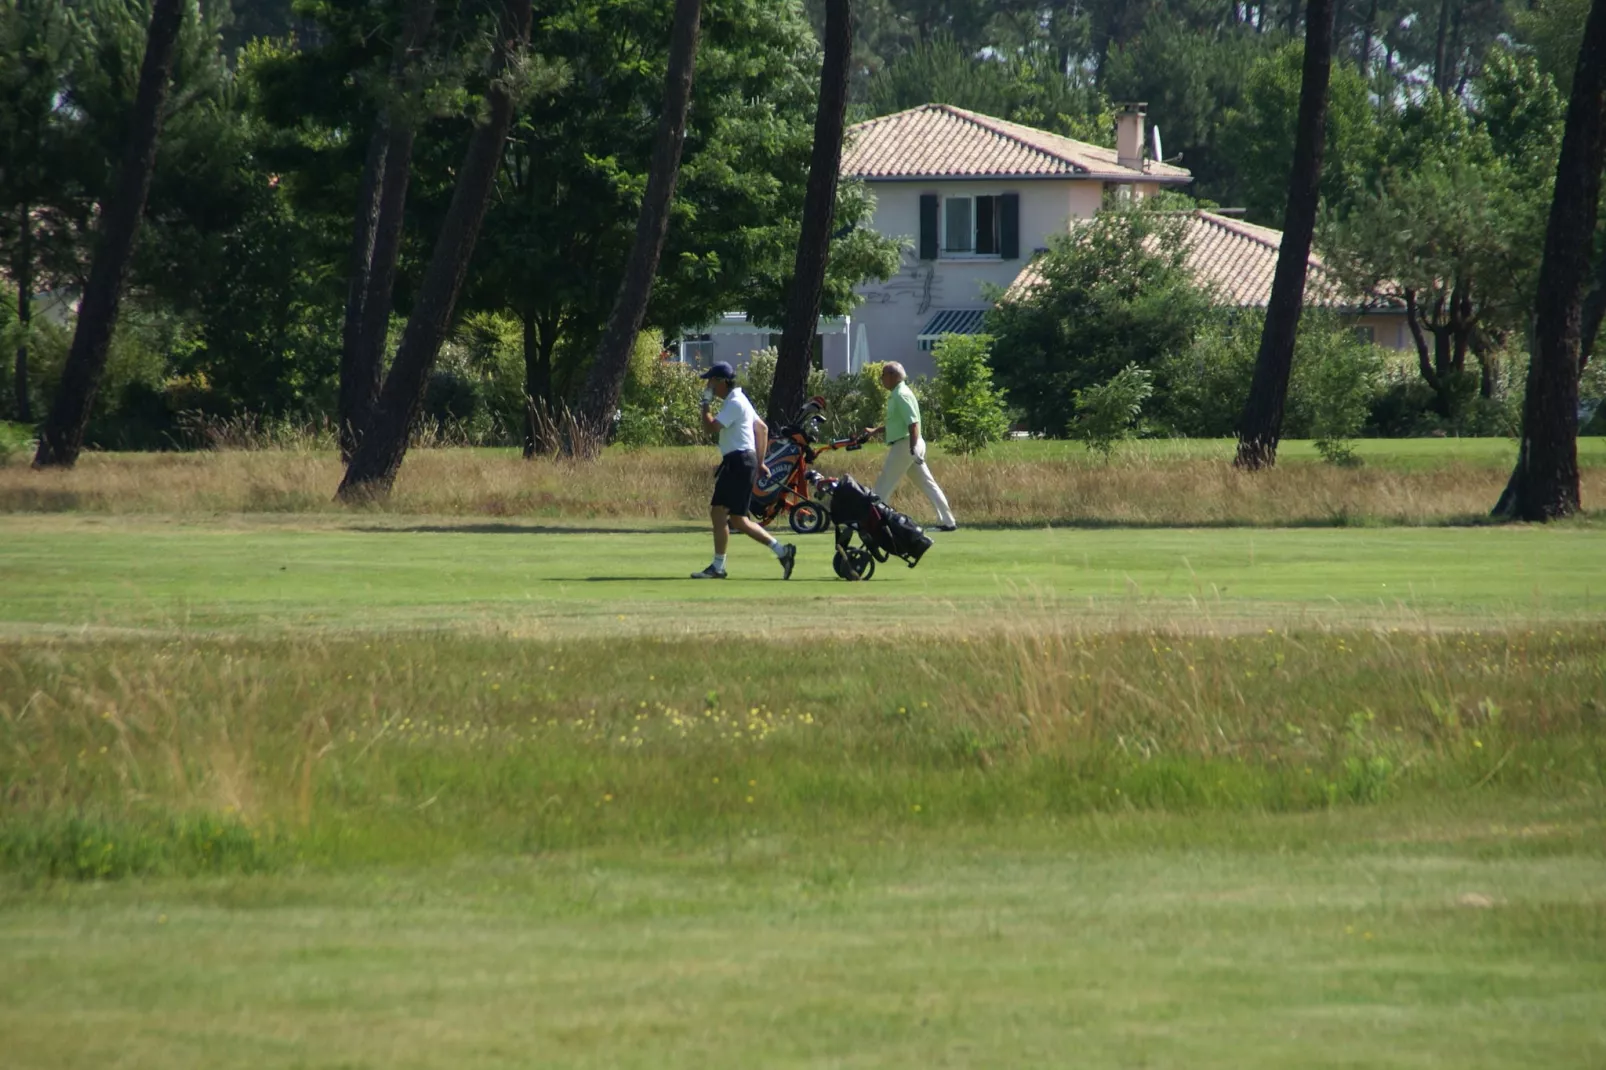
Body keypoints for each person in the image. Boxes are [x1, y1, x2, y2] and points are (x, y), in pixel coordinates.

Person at [691, 362, 797, 580]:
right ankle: (782, 551)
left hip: (738, 462)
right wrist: (759, 462)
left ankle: (718, 567)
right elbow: (762, 428)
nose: (708, 385)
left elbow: (711, 427)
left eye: (711, 381)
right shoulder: (739, 400)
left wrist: (705, 404)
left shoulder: (735, 403)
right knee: (738, 519)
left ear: (721, 382)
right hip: (743, 462)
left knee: (719, 512)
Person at [862, 362, 958, 531]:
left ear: (892, 376)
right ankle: (948, 522)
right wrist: (875, 431)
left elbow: (913, 424)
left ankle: (871, 520)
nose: (881, 379)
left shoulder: (901, 395)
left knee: (885, 482)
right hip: (910, 443)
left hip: (907, 444)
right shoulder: (898, 394)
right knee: (928, 483)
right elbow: (898, 424)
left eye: (883, 375)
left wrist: (912, 448)